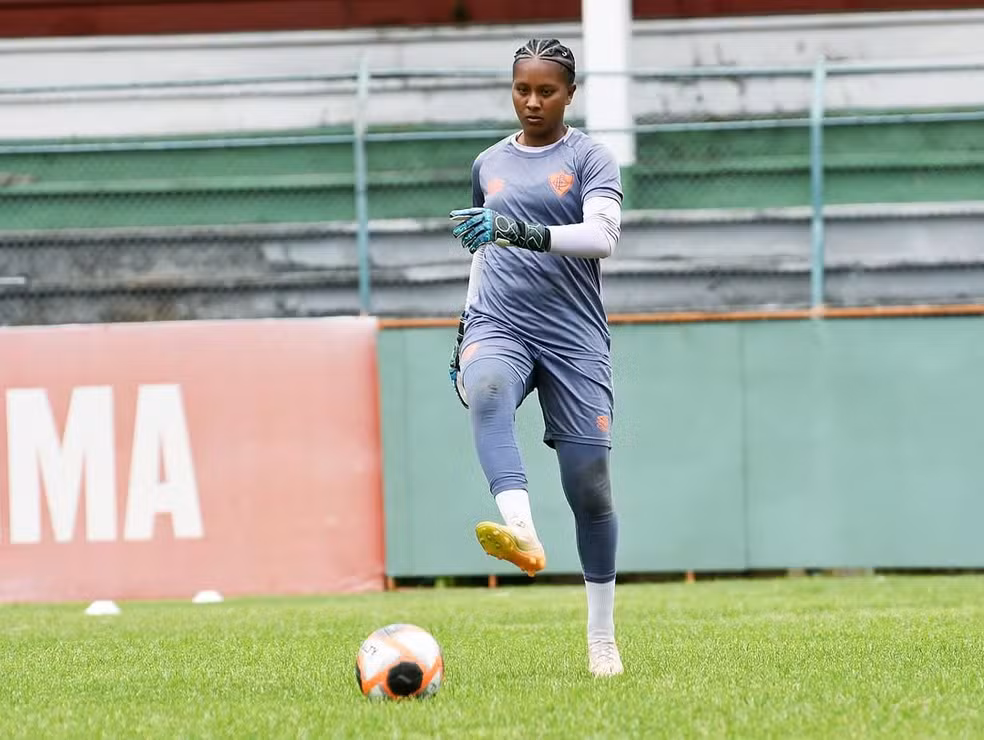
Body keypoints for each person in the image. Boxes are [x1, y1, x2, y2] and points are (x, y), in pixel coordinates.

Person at [447, 38, 624, 677]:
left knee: (590, 487)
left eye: (546, 90)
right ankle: (521, 530)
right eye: (522, 88)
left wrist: (519, 231)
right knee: (486, 386)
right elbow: (481, 246)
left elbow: (602, 237)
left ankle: (601, 636)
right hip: (500, 320)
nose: (531, 100)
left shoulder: (591, 158)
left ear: (569, 94)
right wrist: (467, 325)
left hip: (574, 336)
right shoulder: (488, 163)